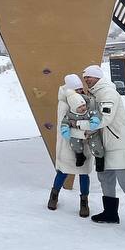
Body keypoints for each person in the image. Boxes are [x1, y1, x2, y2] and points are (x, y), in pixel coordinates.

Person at [81, 64, 125, 236]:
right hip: (103, 146)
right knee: (105, 179)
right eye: (85, 77)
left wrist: (83, 126)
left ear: (98, 77)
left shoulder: (108, 93)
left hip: (118, 145)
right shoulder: (94, 93)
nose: (87, 79)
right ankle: (110, 213)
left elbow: (105, 118)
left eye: (90, 76)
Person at [51, 74, 96, 216]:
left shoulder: (85, 99)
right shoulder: (64, 103)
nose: (80, 92)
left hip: (85, 144)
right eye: (77, 90)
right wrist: (84, 133)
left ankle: (84, 202)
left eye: (81, 89)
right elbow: (63, 127)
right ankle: (54, 196)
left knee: (83, 174)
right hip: (68, 144)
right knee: (63, 171)